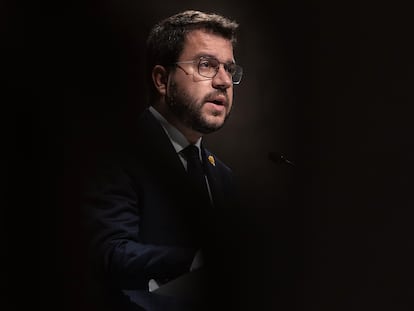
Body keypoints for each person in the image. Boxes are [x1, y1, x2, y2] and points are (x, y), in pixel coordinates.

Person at [81, 10, 243, 311]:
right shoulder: (113, 153)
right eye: (207, 65)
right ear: (161, 79)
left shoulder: (223, 177)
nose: (224, 81)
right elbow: (109, 253)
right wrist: (196, 259)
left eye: (230, 69)